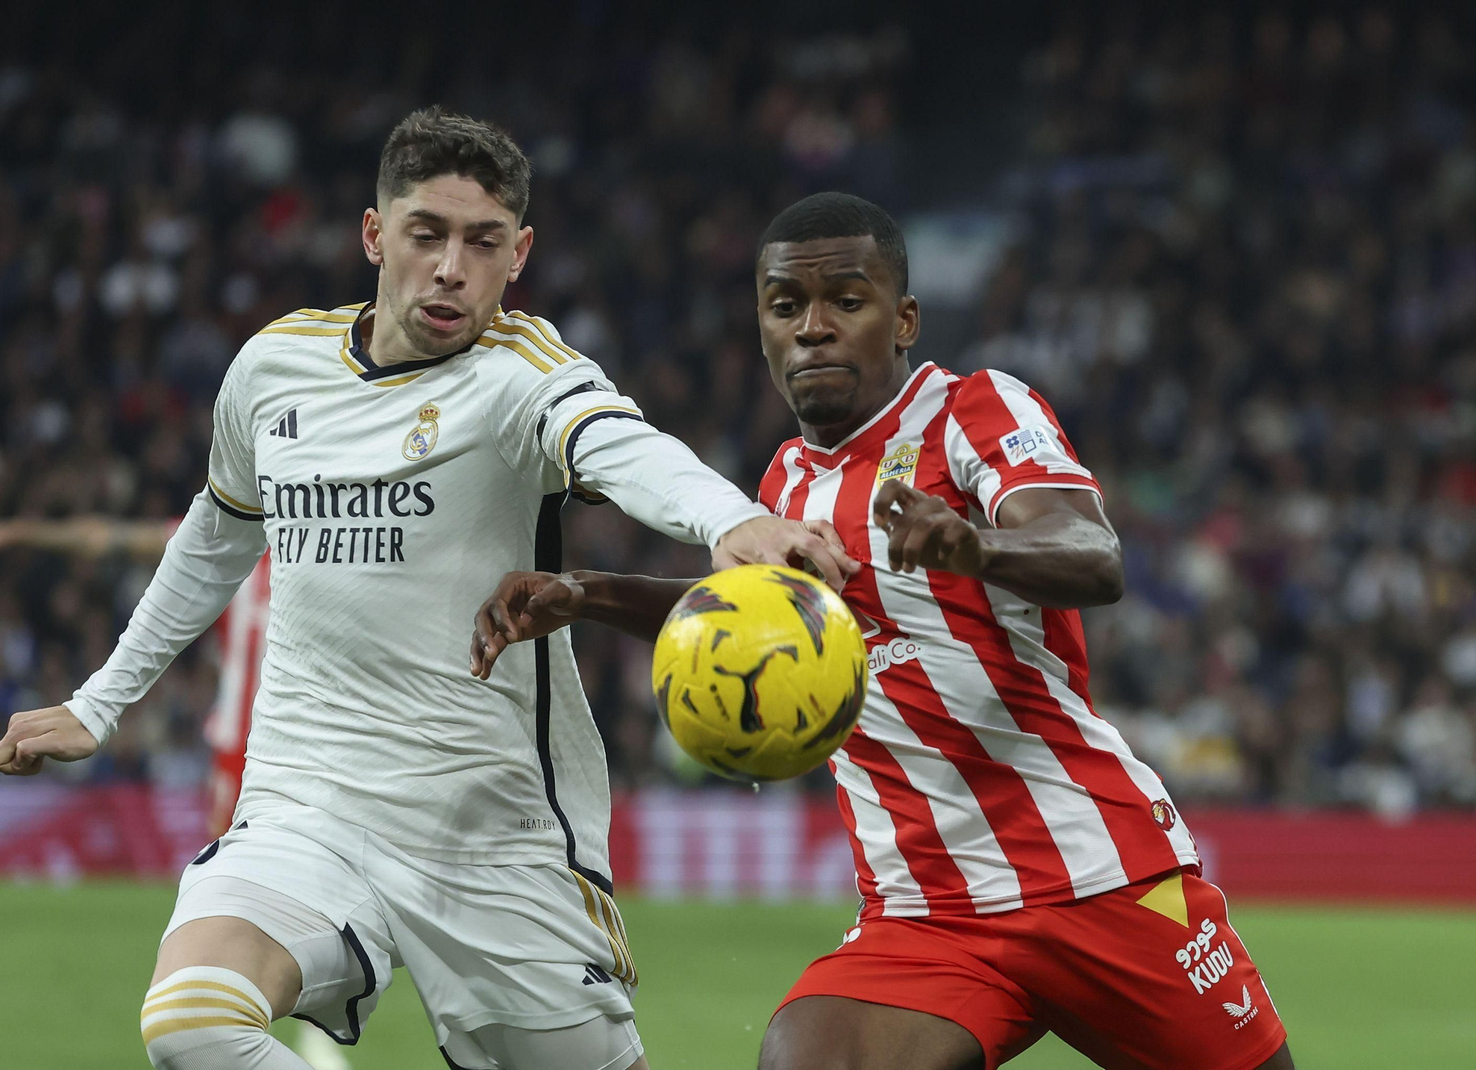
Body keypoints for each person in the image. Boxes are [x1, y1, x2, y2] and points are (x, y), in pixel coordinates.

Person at [0, 108, 853, 1070]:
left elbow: (621, 443)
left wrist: (728, 520)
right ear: (373, 234)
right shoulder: (276, 369)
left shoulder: (522, 375)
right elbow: (219, 533)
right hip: (308, 805)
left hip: (492, 832)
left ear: (518, 255)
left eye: (483, 243)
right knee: (194, 1023)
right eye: (425, 235)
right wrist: (98, 704)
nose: (451, 267)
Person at [470, 192, 1295, 1070]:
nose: (814, 328)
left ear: (903, 319)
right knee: (807, 1056)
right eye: (787, 306)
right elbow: (739, 620)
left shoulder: (974, 411)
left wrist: (973, 544)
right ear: (761, 328)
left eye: (846, 302)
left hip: (1096, 874)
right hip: (924, 912)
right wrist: (585, 591)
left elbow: (1093, 552)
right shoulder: (784, 486)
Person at [0, 517, 263, 839]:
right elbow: (101, 539)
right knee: (232, 864)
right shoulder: (232, 533)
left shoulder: (308, 543)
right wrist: (19, 532)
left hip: (300, 740)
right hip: (239, 745)